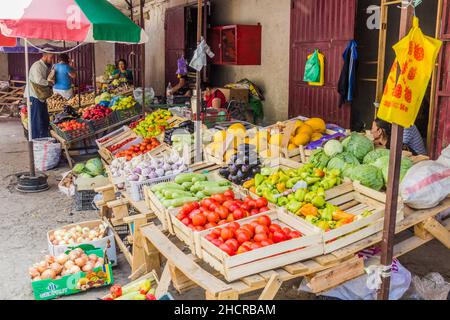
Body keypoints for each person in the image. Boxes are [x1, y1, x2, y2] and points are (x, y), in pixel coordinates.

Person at [25, 51, 55, 139]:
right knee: (36, 120)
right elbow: (39, 80)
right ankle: (35, 140)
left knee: (44, 119)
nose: (52, 60)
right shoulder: (37, 66)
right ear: (45, 56)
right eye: (51, 57)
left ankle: (44, 138)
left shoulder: (45, 66)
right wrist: (49, 83)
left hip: (41, 97)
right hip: (34, 96)